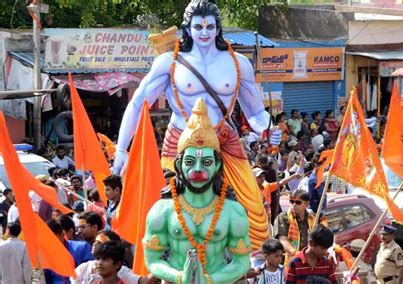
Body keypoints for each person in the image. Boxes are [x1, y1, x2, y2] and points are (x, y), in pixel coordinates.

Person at [112, 0, 279, 248]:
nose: (204, 33)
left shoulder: (238, 64)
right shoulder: (170, 62)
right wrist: (122, 149)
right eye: (198, 26)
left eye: (210, 27)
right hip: (180, 141)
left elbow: (255, 111)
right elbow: (137, 104)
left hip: (224, 138)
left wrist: (266, 129)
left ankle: (248, 266)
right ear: (187, 29)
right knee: (167, 210)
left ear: (218, 29)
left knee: (253, 213)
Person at [143, 99, 251, 282]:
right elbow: (152, 260)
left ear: (217, 165)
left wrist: (209, 280)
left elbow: (242, 263)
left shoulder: (233, 211)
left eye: (207, 162)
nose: (198, 169)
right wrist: (178, 277)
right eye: (190, 162)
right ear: (179, 165)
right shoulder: (162, 210)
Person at [72, 230, 156, 284]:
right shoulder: (83, 268)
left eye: (105, 259)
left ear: (117, 264)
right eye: (98, 258)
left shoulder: (123, 272)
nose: (100, 263)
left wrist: (159, 268)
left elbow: (141, 281)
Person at [274, 190, 316, 267]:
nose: (293, 204)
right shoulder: (284, 217)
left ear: (306, 204)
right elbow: (283, 240)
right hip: (291, 262)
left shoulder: (312, 218)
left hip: (310, 261)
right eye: (291, 201)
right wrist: (296, 253)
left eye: (298, 202)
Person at [44, 219, 95, 284]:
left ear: (62, 234)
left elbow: (90, 274)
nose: (50, 243)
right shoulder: (45, 256)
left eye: (52, 239)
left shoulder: (82, 248)